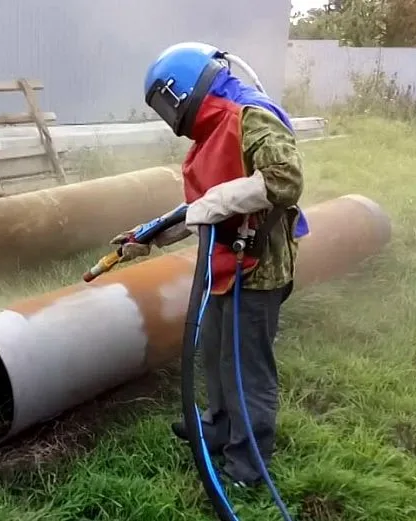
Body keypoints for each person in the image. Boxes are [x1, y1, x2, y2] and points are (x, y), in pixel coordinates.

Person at [109, 42, 308, 488]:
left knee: (245, 371)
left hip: (258, 270)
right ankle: (218, 427)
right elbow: (200, 208)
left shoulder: (250, 115)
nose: (168, 114)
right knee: (217, 356)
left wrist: (217, 201)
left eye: (165, 101)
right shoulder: (212, 133)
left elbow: (285, 179)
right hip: (225, 266)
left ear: (183, 89)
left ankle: (247, 465)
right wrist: (151, 236)